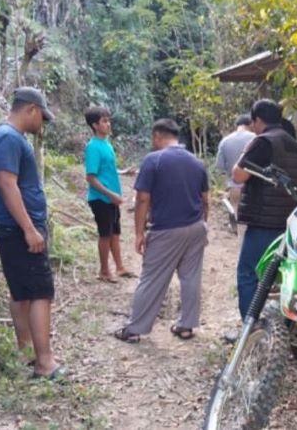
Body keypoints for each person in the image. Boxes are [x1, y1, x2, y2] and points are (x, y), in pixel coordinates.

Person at [0, 87, 65, 379]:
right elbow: (7, 184)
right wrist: (30, 229)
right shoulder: (9, 138)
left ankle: (27, 354)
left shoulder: (7, 137)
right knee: (40, 292)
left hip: (12, 228)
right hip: (20, 230)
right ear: (31, 109)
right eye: (41, 117)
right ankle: (44, 362)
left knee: (21, 293)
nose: (41, 124)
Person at [114, 118, 209, 343]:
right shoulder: (197, 162)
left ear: (157, 136)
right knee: (191, 276)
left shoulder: (153, 160)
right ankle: (186, 326)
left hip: (166, 229)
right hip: (196, 227)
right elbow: (206, 200)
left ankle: (134, 328)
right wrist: (204, 226)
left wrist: (139, 232)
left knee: (152, 277)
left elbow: (143, 198)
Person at [232, 99, 297, 320]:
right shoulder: (295, 144)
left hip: (263, 221)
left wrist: (247, 149)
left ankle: (249, 329)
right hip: (288, 221)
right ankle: (284, 327)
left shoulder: (263, 142)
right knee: (279, 276)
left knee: (248, 273)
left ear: (258, 120)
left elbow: (238, 175)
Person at [84, 106, 134, 282]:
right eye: (104, 121)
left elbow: (106, 170)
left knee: (115, 233)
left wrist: (123, 172)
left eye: (108, 120)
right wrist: (110, 194)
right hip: (100, 198)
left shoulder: (106, 144)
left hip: (111, 198)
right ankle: (104, 270)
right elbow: (90, 177)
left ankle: (119, 267)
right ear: (95, 125)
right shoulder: (93, 147)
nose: (108, 124)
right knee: (105, 234)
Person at [215, 114, 255, 215]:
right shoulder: (256, 139)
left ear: (236, 125)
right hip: (253, 188)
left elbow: (220, 166)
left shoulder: (225, 141)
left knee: (237, 218)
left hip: (234, 187)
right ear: (251, 124)